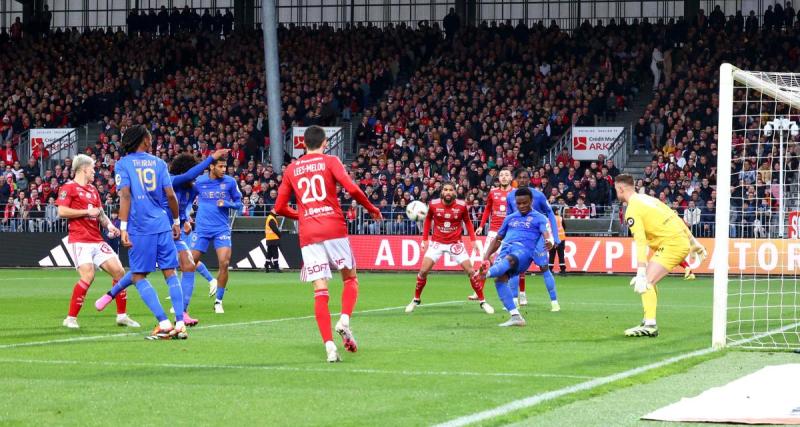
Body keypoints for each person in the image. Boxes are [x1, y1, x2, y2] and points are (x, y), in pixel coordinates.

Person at [275, 125, 383, 362]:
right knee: (350, 279)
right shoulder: (330, 161)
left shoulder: (292, 168)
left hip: (309, 233)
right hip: (334, 227)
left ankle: (329, 348)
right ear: (325, 143)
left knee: (320, 291)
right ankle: (344, 319)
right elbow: (352, 189)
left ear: (303, 144)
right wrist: (372, 208)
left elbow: (279, 207)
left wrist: (302, 215)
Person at [97, 150, 229, 325]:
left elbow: (185, 206)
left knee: (188, 265)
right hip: (155, 229)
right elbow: (188, 176)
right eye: (194, 173)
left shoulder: (193, 189)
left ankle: (183, 312)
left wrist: (185, 220)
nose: (196, 177)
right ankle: (110, 294)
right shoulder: (173, 180)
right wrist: (211, 158)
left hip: (174, 231)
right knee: (140, 272)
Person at [114, 125, 186, 340]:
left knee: (137, 276)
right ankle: (180, 323)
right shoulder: (159, 163)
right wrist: (175, 221)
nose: (152, 141)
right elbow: (171, 196)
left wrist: (123, 227)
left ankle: (164, 322)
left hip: (139, 227)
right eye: (150, 138)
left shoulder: (123, 164)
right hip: (162, 225)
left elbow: (125, 196)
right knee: (171, 273)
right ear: (144, 140)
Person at [614, 174, 707, 337]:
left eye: (616, 189)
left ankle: (650, 325)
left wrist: (640, 271)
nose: (616, 193)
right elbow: (674, 216)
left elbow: (640, 241)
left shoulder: (632, 209)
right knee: (650, 281)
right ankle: (647, 320)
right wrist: (693, 241)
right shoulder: (648, 199)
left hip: (671, 245)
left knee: (647, 281)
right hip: (677, 241)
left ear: (621, 189)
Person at [57, 154, 140, 329]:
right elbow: (62, 211)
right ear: (84, 169)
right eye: (93, 169)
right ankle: (70, 318)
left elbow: (100, 212)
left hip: (96, 239)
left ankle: (122, 316)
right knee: (88, 276)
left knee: (119, 272)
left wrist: (109, 226)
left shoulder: (93, 189)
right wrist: (86, 213)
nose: (95, 172)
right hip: (80, 240)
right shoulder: (68, 188)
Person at [405, 182, 494, 315]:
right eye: (445, 190)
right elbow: (428, 219)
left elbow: (468, 222)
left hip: (455, 243)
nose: (448, 192)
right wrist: (424, 239)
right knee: (423, 271)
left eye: (450, 190)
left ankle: (482, 301)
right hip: (437, 243)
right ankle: (416, 299)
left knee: (471, 271)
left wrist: (473, 240)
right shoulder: (434, 204)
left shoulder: (462, 206)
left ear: (455, 192)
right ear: (442, 192)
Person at [474, 188, 555, 327]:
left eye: (525, 203)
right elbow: (498, 239)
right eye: (519, 203)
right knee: (500, 280)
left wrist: (550, 241)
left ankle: (485, 274)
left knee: (510, 260)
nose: (522, 206)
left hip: (523, 252)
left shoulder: (539, 218)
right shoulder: (510, 218)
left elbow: (546, 233)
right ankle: (515, 316)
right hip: (506, 249)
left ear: (531, 201)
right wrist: (486, 258)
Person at [191, 156, 242, 314]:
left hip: (221, 229)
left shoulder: (230, 182)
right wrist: (185, 218)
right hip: (202, 228)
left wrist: (227, 204)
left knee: (224, 263)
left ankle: (218, 301)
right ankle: (181, 301)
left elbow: (239, 204)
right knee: (189, 263)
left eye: (224, 167)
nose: (223, 169)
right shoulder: (199, 181)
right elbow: (187, 201)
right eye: (220, 166)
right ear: (211, 167)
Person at [506, 169, 560, 311]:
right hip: (519, 239)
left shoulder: (538, 195)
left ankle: (554, 302)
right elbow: (509, 218)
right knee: (514, 268)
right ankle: (514, 301)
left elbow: (550, 214)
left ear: (529, 179)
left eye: (525, 178)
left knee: (544, 268)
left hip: (537, 239)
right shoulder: (510, 196)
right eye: (520, 178)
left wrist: (555, 235)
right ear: (516, 179)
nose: (523, 180)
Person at [468, 168, 512, 301]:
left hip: (510, 232)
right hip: (494, 231)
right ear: (498, 178)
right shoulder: (493, 192)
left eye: (506, 175)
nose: (504, 177)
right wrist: (481, 226)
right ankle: (478, 291)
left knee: (511, 261)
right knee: (485, 261)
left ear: (511, 178)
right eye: (502, 175)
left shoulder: (515, 193)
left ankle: (518, 293)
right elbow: (487, 209)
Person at [549, 206, 567, 275]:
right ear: (556, 211)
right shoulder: (560, 218)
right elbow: (564, 227)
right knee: (561, 254)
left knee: (551, 254)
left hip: (552, 239)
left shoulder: (548, 219)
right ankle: (563, 270)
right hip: (561, 239)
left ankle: (550, 269)